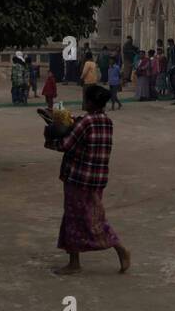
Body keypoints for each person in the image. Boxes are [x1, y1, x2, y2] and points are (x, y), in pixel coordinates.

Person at [45, 82, 130, 276]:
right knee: (87, 216)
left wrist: (50, 136)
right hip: (97, 178)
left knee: (79, 219)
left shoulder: (86, 122)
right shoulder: (105, 121)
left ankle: (117, 246)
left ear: (90, 102)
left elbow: (66, 144)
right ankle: (75, 260)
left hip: (78, 177)